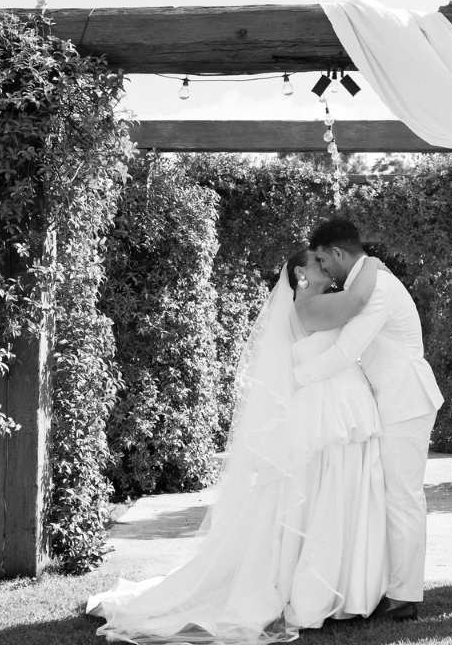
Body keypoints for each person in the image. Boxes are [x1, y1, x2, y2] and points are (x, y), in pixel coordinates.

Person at [87, 250, 391, 644]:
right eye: (317, 262)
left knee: (329, 496)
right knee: (323, 498)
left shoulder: (311, 303)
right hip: (328, 411)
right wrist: (370, 265)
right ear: (300, 274)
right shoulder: (309, 308)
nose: (325, 266)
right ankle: (319, 590)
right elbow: (356, 305)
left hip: (335, 410)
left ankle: (336, 586)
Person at [293, 218, 443, 622]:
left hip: (406, 400)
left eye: (324, 260)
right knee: (392, 495)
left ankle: (405, 597)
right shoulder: (369, 279)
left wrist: (294, 379)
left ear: (338, 253)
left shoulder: (378, 286)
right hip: (393, 399)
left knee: (403, 497)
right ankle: (390, 587)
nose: (323, 269)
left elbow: (346, 351)